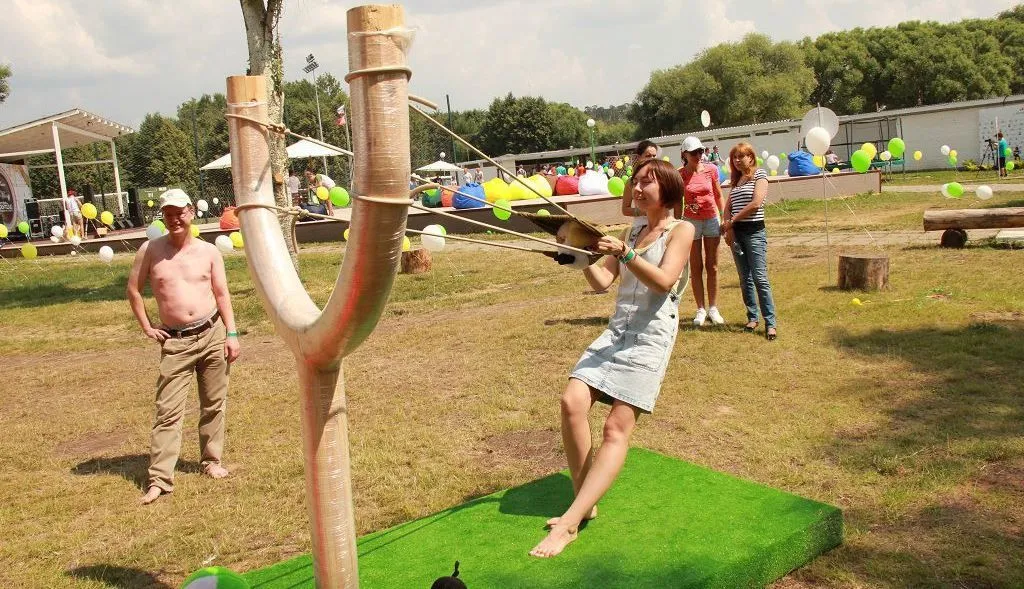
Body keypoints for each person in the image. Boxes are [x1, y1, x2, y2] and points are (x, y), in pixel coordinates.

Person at [530, 158, 695, 558]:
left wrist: (625, 254)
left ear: (668, 189)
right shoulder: (631, 230)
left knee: (615, 428)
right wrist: (579, 257)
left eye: (646, 182)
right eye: (635, 181)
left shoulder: (682, 230)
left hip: (651, 336)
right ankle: (584, 502)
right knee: (572, 401)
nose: (636, 188)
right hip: (617, 330)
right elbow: (603, 281)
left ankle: (569, 523)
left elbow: (664, 282)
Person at [126, 188, 241, 505]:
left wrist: (231, 334)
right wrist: (147, 326)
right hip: (175, 342)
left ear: (191, 212)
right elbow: (133, 290)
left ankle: (211, 461)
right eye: (168, 214)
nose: (175, 218)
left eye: (179, 212)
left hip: (212, 333)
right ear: (163, 217)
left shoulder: (209, 252)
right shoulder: (150, 250)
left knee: (214, 404)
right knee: (168, 412)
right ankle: (160, 480)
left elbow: (222, 294)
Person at [722, 142, 777, 341]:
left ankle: (770, 323)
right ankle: (752, 318)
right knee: (744, 279)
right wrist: (728, 227)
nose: (737, 160)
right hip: (737, 234)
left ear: (751, 157)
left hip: (754, 233)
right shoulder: (736, 181)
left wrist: (732, 221)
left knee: (760, 278)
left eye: (741, 156)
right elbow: (727, 207)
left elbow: (756, 203)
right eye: (734, 158)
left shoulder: (759, 175)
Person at [679, 136, 725, 327]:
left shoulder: (711, 169)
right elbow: (676, 201)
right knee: (696, 267)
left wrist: (724, 217)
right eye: (693, 153)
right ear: (684, 154)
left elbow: (718, 194)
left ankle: (713, 308)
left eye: (700, 151)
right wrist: (676, 223)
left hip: (711, 219)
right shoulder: (680, 174)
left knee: (712, 266)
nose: (698, 155)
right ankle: (700, 308)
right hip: (691, 222)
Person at [620, 140, 660, 218]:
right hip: (642, 223)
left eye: (654, 156)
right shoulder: (631, 181)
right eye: (648, 156)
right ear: (639, 157)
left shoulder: (661, 177)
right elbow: (625, 210)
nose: (652, 159)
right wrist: (643, 212)